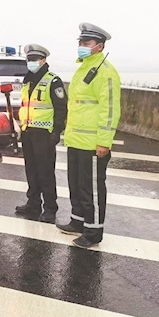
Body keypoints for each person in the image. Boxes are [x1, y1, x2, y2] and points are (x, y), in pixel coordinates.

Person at [57, 23, 121, 248]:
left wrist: (104, 141)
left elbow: (110, 108)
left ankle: (93, 232)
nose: (82, 46)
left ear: (99, 46)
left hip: (93, 143)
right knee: (76, 184)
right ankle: (78, 221)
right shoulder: (83, 68)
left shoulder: (105, 72)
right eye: (80, 43)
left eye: (87, 43)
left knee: (91, 188)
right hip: (76, 140)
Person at [15, 44, 68, 223]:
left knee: (45, 172)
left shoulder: (53, 81)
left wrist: (57, 131)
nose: (31, 63)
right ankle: (33, 203)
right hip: (28, 131)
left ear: (43, 60)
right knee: (31, 170)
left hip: (44, 133)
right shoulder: (27, 80)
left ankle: (50, 208)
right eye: (29, 60)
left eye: (34, 59)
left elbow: (61, 108)